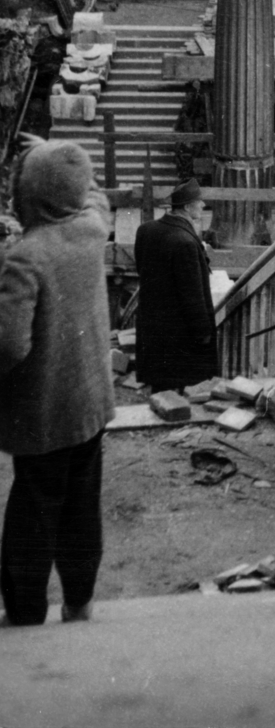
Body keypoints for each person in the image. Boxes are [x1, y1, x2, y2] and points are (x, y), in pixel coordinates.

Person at [0, 139, 115, 626]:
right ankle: (79, 601)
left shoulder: (25, 258)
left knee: (33, 513)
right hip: (90, 405)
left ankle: (25, 613)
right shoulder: (92, 230)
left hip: (42, 416)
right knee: (81, 508)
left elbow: (9, 346)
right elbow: (95, 195)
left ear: (28, 195)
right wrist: (55, 157)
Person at [134, 180, 218, 394]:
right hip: (179, 334)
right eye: (199, 201)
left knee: (160, 387)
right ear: (188, 207)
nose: (203, 204)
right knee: (178, 389)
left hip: (153, 328)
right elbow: (192, 295)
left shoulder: (145, 230)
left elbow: (140, 269)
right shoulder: (185, 242)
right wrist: (203, 332)